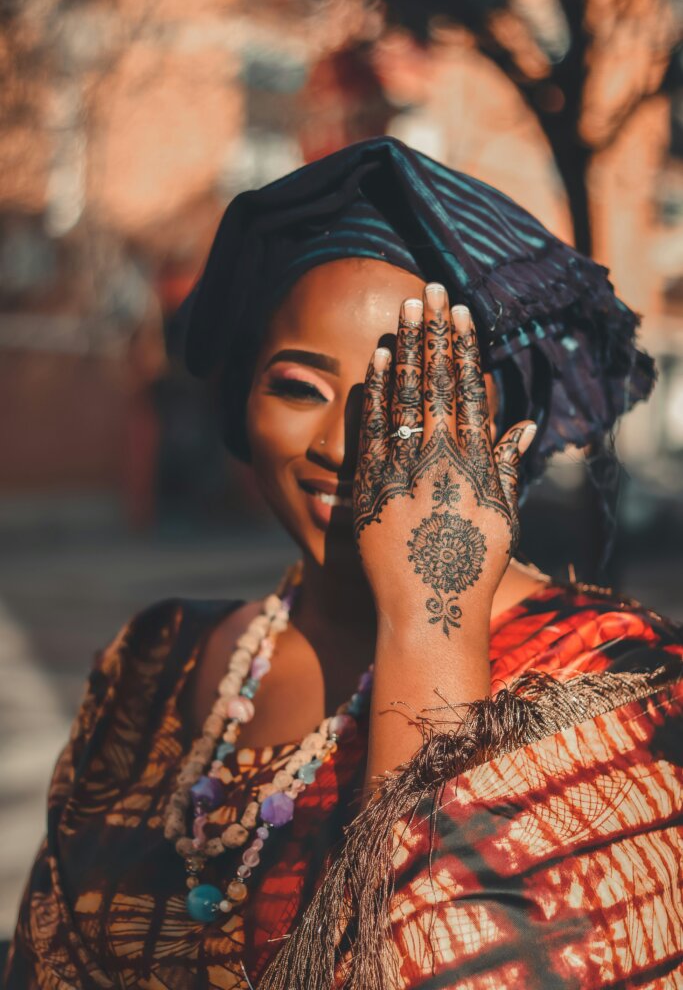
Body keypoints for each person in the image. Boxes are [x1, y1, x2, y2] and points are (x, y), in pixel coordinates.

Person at [5, 137, 682, 990]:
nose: (341, 445)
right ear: (239, 401)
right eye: (297, 386)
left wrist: (424, 617)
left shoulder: (616, 684)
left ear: (495, 436)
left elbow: (435, 957)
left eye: (405, 401)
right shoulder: (155, 661)